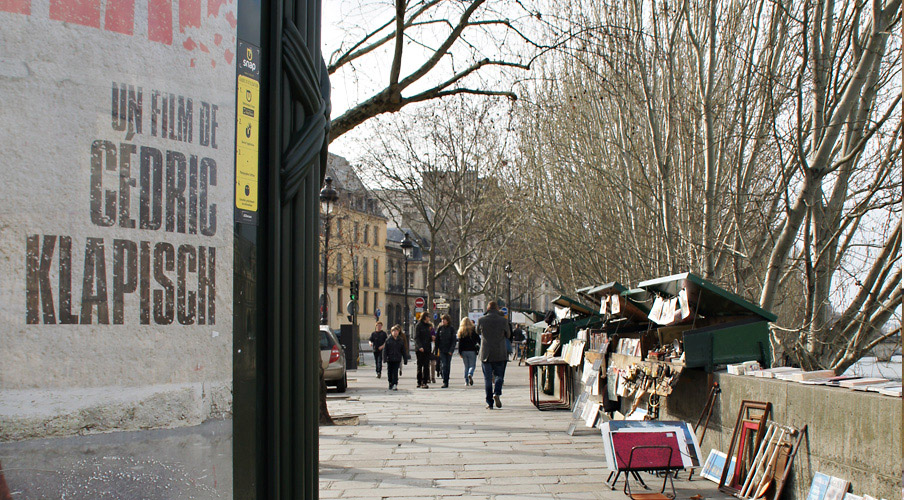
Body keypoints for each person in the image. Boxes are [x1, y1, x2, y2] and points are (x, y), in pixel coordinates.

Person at [477, 301, 511, 409]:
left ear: (487, 308)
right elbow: (508, 334)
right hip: (500, 352)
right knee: (499, 375)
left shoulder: (481, 320)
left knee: (487, 378)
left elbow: (477, 331)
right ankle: (497, 392)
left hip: (486, 352)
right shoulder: (503, 320)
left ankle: (489, 402)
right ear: (497, 308)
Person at [382, 324, 409, 390]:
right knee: (390, 372)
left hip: (397, 358)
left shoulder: (400, 340)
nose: (395, 332)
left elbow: (403, 350)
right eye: (394, 331)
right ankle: (390, 382)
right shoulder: (388, 340)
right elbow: (385, 350)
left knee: (395, 372)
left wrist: (405, 359)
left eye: (397, 331)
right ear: (391, 332)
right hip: (390, 359)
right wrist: (384, 358)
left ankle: (395, 384)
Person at [435, 314, 457, 388]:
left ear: (447, 321)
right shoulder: (440, 328)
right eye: (442, 320)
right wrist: (436, 349)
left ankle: (447, 380)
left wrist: (451, 350)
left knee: (448, 366)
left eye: (444, 320)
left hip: (449, 350)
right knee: (444, 365)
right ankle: (444, 380)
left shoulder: (451, 329)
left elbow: (454, 340)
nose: (442, 321)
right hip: (442, 349)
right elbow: (437, 340)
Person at [457, 317, 479, 386]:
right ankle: (470, 373)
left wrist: (460, 352)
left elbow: (460, 343)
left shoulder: (461, 331)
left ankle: (466, 381)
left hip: (464, 351)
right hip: (472, 350)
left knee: (466, 366)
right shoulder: (473, 331)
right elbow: (478, 339)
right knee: (472, 365)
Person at [414, 313, 433, 389]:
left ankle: (424, 382)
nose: (429, 318)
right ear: (425, 317)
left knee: (426, 365)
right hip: (420, 349)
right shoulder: (418, 325)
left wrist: (432, 338)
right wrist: (420, 346)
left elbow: (428, 337)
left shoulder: (428, 326)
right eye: (428, 317)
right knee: (420, 365)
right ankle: (419, 381)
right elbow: (416, 337)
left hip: (427, 348)